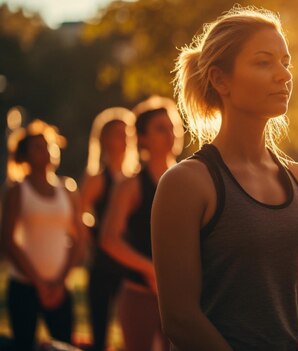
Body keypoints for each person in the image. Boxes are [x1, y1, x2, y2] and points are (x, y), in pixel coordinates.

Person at [152, 6, 298, 351]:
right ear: (221, 80)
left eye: (285, 62)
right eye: (264, 62)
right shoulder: (186, 184)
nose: (283, 75)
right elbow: (179, 317)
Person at [100, 97, 183, 351]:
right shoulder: (131, 185)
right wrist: (149, 269)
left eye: (173, 127)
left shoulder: (189, 179)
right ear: (143, 138)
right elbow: (108, 239)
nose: (170, 134)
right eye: (160, 128)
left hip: (181, 297)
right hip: (139, 295)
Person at [1, 120, 86, 351]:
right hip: (24, 286)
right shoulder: (18, 190)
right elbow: (8, 239)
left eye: (47, 145)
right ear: (24, 155)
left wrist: (59, 282)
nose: (45, 151)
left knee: (64, 346)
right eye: (37, 147)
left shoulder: (68, 189)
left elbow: (79, 239)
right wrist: (38, 282)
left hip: (60, 288)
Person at [80, 107, 137, 351]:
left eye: (126, 133)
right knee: (101, 333)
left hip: (129, 266)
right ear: (103, 139)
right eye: (117, 133)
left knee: (132, 333)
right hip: (103, 265)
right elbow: (77, 215)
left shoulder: (134, 178)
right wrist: (92, 238)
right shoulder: (98, 178)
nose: (123, 138)